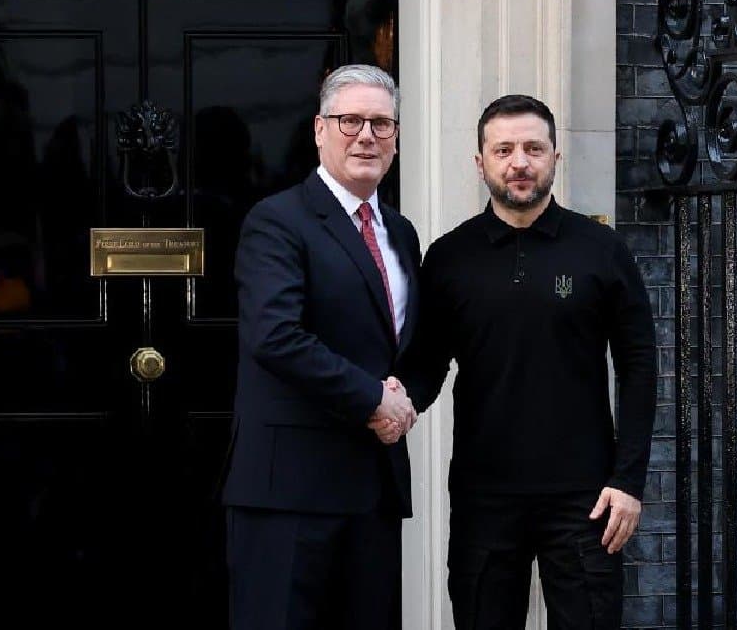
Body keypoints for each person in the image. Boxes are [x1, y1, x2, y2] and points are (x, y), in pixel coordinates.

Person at [386, 94, 657, 629]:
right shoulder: (448, 257)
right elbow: (427, 363)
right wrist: (388, 404)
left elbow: (639, 365)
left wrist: (629, 482)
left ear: (556, 157)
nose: (519, 161)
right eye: (503, 149)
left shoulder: (601, 249)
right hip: (484, 496)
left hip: (588, 499)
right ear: (480, 161)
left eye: (534, 148)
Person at [222, 64, 421, 630]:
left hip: (372, 489)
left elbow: (404, 348)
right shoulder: (277, 221)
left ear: (396, 138)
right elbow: (275, 336)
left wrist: (405, 401)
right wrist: (372, 401)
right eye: (350, 120)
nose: (366, 136)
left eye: (381, 124)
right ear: (318, 129)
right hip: (289, 494)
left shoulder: (400, 232)